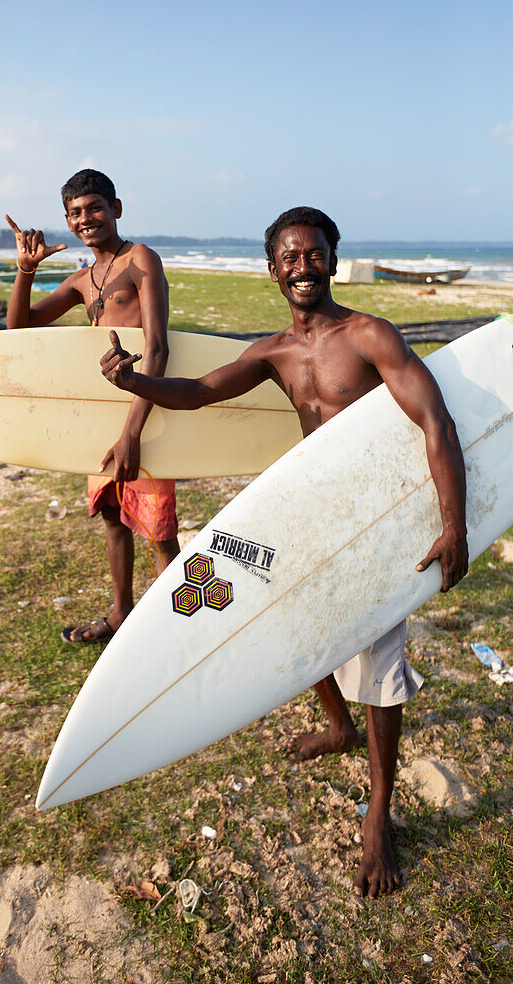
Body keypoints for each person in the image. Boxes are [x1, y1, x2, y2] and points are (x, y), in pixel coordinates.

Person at [100, 205, 468, 898]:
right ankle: (336, 725)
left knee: (379, 668)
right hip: (311, 513)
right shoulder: (272, 352)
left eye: (313, 253)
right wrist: (133, 384)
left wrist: (453, 526)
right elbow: (198, 392)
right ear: (272, 269)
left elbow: (434, 420)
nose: (302, 266)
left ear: (331, 257)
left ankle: (379, 815)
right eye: (288, 257)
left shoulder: (367, 335)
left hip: (375, 522)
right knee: (291, 630)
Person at [6, 169, 180, 645]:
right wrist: (26, 270)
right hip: (101, 414)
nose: (87, 219)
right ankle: (122, 614)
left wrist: (132, 434)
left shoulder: (141, 258)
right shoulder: (82, 281)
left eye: (96, 208)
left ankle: (184, 630)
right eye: (76, 213)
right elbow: (19, 330)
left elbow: (159, 349)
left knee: (159, 528)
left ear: (116, 209)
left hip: (144, 411)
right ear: (67, 220)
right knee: (112, 515)